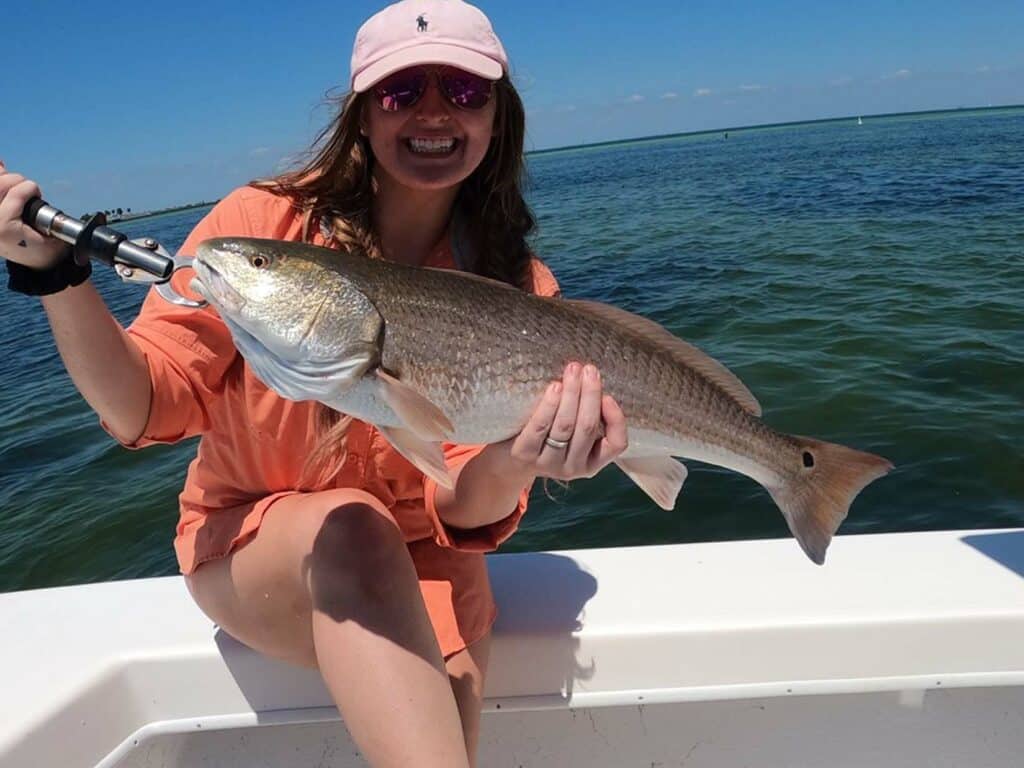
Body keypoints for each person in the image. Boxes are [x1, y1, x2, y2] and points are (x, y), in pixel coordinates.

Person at [0, 1, 627, 766]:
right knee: (354, 525)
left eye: (465, 92)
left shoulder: (519, 289)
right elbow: (144, 403)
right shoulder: (262, 225)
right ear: (363, 115)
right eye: (402, 93)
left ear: (498, 117)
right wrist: (57, 275)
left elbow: (463, 503)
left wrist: (526, 455)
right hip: (257, 554)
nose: (434, 111)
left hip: (431, 566)